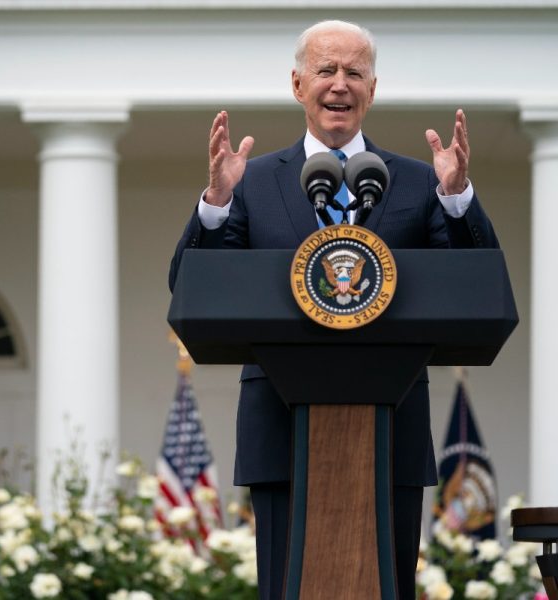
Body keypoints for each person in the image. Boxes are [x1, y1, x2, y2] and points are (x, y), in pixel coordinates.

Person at [169, 20, 498, 600]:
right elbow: (192, 287)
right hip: (280, 424)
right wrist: (216, 204)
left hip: (391, 429)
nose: (339, 84)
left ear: (373, 89)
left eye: (354, 72)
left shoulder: (422, 182)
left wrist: (457, 200)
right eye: (326, 70)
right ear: (298, 85)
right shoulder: (250, 182)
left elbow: (473, 285)